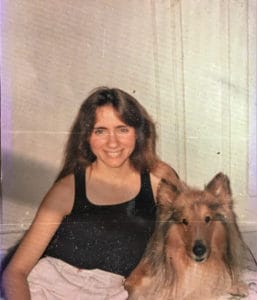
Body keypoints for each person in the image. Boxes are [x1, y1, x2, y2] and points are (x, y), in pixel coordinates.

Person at [2, 87, 181, 300]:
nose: (112, 142)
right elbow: (16, 271)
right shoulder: (67, 190)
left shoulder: (158, 179)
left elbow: (187, 236)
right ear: (86, 136)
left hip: (112, 293)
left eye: (122, 129)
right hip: (48, 290)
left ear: (138, 132)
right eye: (100, 131)